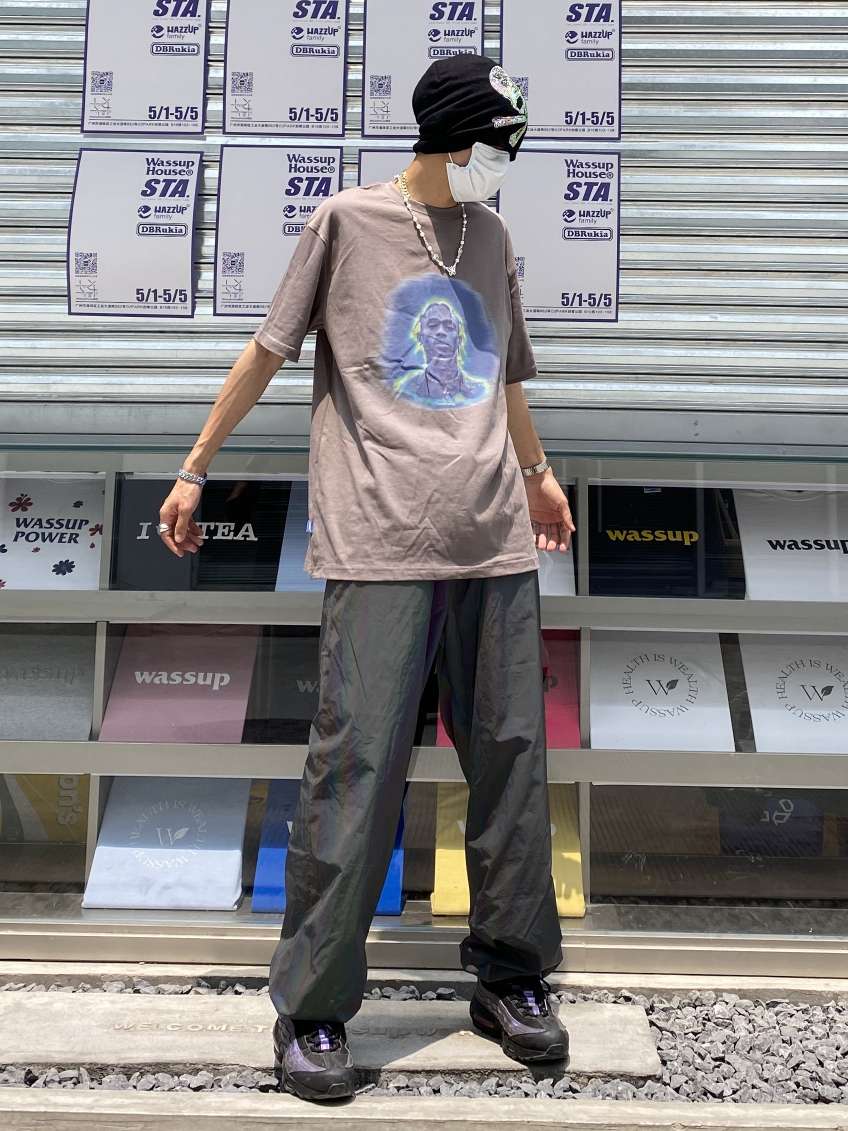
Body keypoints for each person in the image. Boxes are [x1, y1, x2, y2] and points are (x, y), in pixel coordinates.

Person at [156, 52, 575, 1103]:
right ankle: (312, 1007)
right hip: (381, 538)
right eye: (499, 146)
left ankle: (511, 977)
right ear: (455, 137)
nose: (504, 163)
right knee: (356, 771)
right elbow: (266, 349)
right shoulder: (345, 222)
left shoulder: (492, 235)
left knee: (512, 761)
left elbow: (505, 376)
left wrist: (537, 474)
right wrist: (194, 467)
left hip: (491, 537)